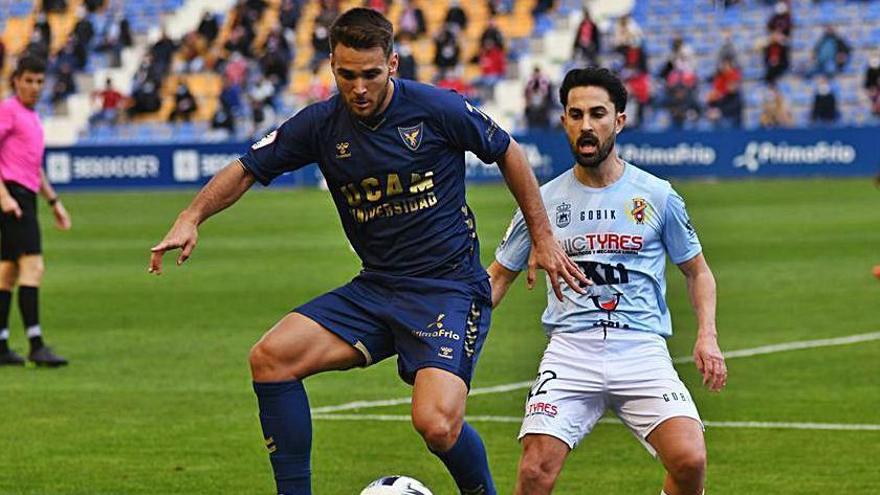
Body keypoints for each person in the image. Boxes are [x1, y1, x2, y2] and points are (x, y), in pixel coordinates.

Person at [148, 8, 586, 495]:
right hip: (376, 287)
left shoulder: (436, 109)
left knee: (437, 425)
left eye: (371, 75)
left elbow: (509, 151)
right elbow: (249, 166)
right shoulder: (320, 124)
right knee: (270, 359)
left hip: (448, 288)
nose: (358, 88)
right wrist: (191, 217)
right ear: (332, 66)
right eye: (346, 74)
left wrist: (543, 238)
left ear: (393, 64)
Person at [487, 67, 727, 495]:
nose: (585, 125)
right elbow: (498, 277)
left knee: (690, 460)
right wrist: (449, 337)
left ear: (619, 120)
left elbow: (698, 271)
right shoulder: (540, 202)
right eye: (575, 114)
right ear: (563, 121)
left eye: (597, 113)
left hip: (641, 348)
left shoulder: (657, 195)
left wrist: (706, 335)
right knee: (534, 471)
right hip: (570, 349)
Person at [0, 55, 72, 367]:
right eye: (28, 80)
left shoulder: (32, 117)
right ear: (16, 80)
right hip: (12, 195)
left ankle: (1, 345)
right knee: (34, 266)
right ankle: (35, 343)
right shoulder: (8, 110)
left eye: (40, 81)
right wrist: (3, 197)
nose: (34, 87)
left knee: (8, 272)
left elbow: (34, 166)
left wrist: (54, 202)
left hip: (24, 195)